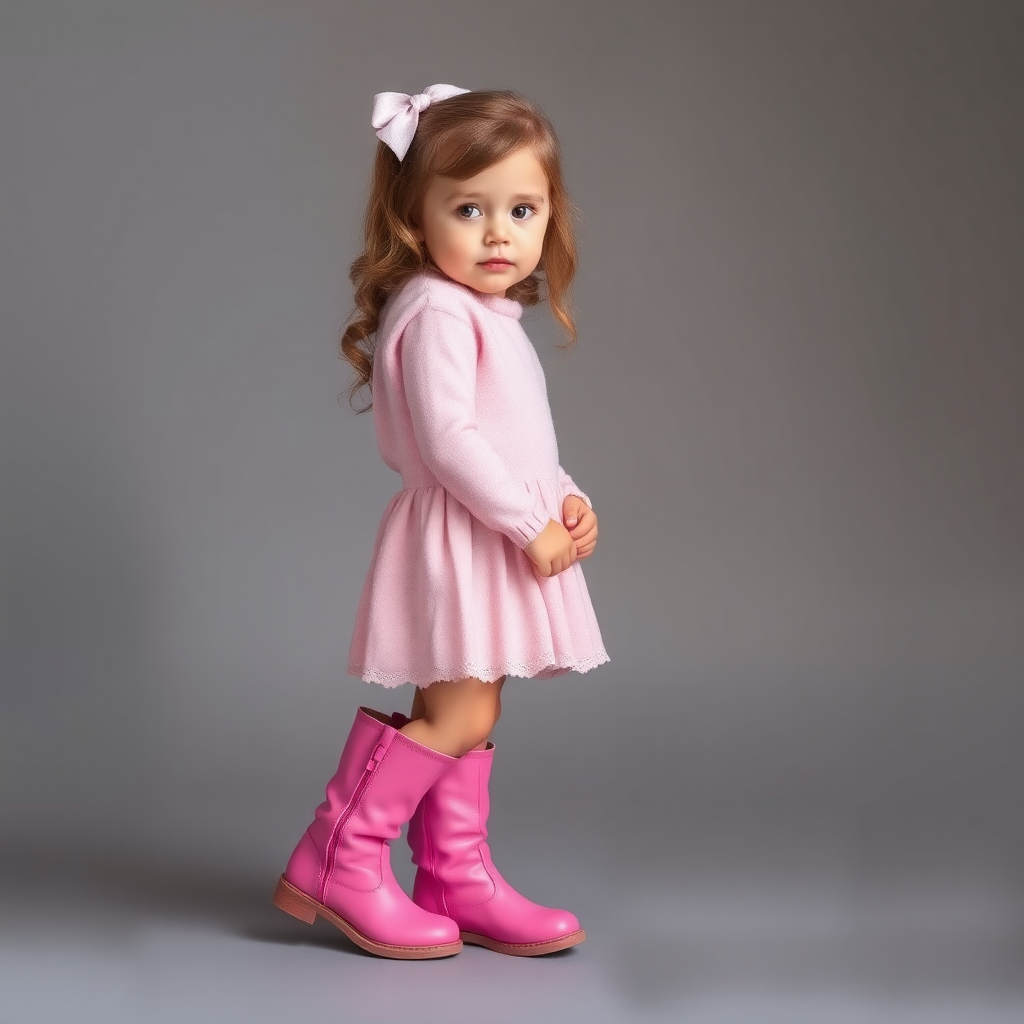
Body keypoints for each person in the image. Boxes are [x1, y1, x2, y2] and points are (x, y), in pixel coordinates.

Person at [272, 85, 609, 959]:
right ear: (416, 222)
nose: (499, 233)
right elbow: (453, 442)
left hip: (486, 531)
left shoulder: (489, 315)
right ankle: (340, 855)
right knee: (458, 713)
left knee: (468, 702)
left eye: (521, 209)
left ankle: (453, 874)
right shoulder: (434, 314)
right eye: (470, 208)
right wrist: (523, 524)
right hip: (464, 534)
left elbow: (523, 441)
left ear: (548, 220)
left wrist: (563, 498)